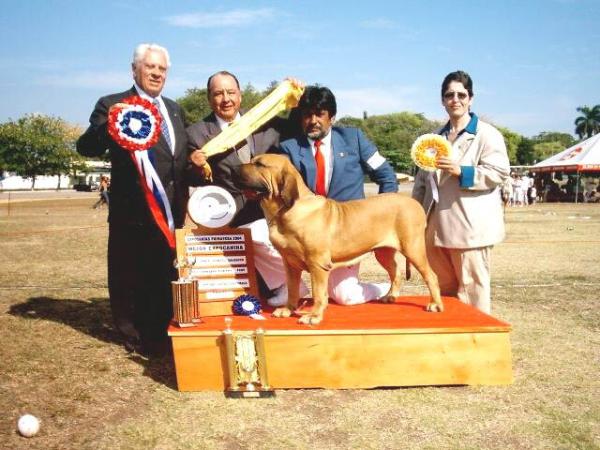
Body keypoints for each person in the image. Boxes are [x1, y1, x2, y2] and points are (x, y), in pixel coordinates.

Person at [77, 43, 190, 356]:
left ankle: (161, 327)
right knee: (129, 274)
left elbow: (179, 155)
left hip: (171, 211)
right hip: (133, 212)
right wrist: (109, 126)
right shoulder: (113, 104)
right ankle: (132, 333)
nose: (156, 73)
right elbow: (85, 147)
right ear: (134, 70)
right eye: (149, 67)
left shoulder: (175, 108)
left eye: (161, 69)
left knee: (163, 272)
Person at [186, 71, 307, 306]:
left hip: (277, 205)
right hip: (236, 210)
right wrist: (195, 166)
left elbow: (297, 128)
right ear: (209, 98)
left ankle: (292, 284)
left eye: (231, 92)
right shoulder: (196, 133)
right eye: (218, 93)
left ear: (240, 95)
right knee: (261, 237)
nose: (226, 99)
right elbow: (191, 178)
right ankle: (289, 285)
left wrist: (297, 100)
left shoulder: (266, 123)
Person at [279, 85, 398, 305]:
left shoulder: (355, 138)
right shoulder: (289, 148)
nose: (313, 120)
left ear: (331, 117)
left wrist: (379, 218)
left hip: (350, 232)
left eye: (320, 114)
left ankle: (383, 288)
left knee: (345, 296)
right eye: (307, 115)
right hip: (308, 235)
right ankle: (292, 291)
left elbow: (386, 175)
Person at [412, 70, 510, 314]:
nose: (455, 99)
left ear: (471, 98)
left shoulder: (487, 134)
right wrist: (414, 219)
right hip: (434, 231)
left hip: (469, 229)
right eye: (449, 95)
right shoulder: (433, 138)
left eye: (461, 94)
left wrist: (461, 171)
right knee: (443, 292)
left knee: (472, 293)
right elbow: (421, 183)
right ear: (442, 100)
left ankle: (478, 344)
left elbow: (498, 172)